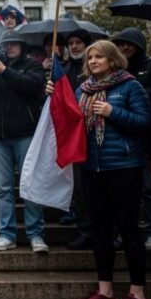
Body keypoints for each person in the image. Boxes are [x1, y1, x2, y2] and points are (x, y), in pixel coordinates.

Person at [48, 41, 151, 299]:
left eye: (100, 56)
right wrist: (54, 95)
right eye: (91, 57)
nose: (93, 60)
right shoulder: (82, 89)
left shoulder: (130, 86)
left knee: (128, 229)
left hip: (124, 167)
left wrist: (113, 112)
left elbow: (146, 123)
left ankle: (137, 294)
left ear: (113, 59)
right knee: (100, 231)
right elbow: (69, 119)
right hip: (91, 168)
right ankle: (105, 290)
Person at [0, 29, 48, 254]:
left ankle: (36, 234)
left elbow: (31, 86)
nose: (9, 48)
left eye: (13, 44)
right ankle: (6, 234)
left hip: (25, 134)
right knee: (4, 189)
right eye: (5, 44)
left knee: (30, 186)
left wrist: (3, 70)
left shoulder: (32, 65)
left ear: (22, 46)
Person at [112, 28, 151, 253]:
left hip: (147, 138)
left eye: (129, 44)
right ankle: (124, 233)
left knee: (149, 188)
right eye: (120, 44)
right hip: (120, 139)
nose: (124, 48)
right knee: (123, 193)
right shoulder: (114, 69)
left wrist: (130, 92)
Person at [62, 29, 94, 250]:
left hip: (96, 136)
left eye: (79, 42)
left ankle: (110, 233)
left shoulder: (95, 70)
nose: (74, 46)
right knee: (80, 189)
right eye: (71, 43)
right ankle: (85, 231)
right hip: (73, 136)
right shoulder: (63, 70)